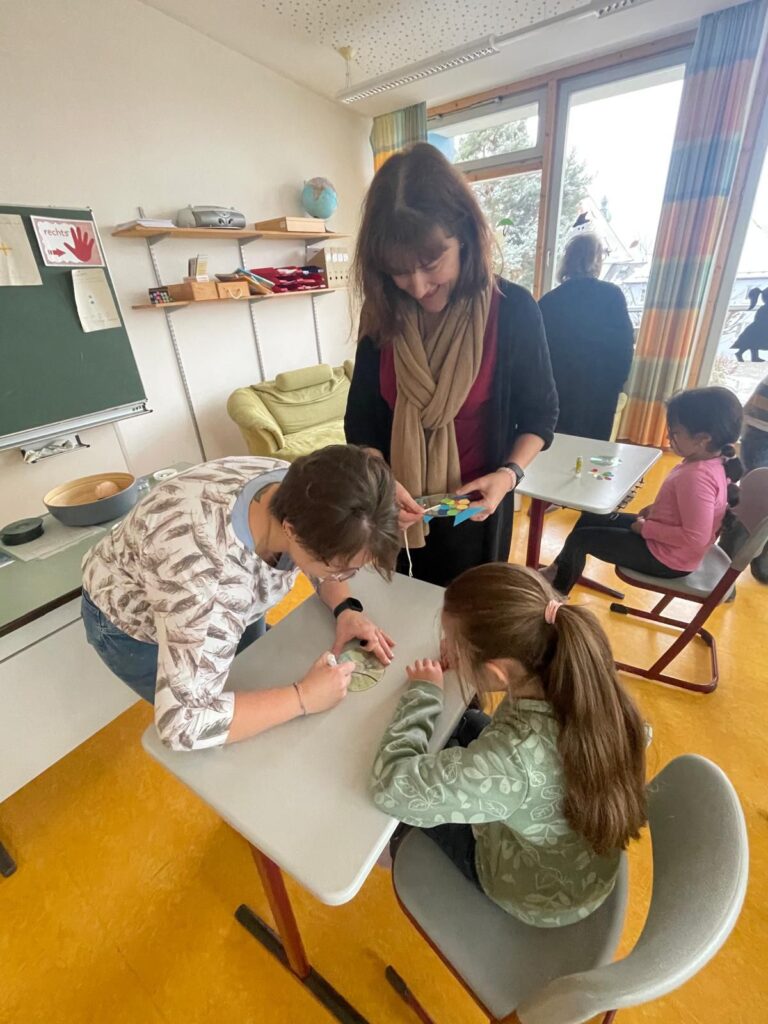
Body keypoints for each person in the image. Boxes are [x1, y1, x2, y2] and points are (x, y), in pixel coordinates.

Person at [369, 563, 647, 927]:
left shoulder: (511, 760)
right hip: (578, 849)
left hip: (535, 888)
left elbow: (391, 786)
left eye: (456, 645)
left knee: (391, 815)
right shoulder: (578, 672)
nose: (447, 646)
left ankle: (390, 848)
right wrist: (469, 658)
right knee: (464, 726)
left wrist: (424, 695)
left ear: (497, 671)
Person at [81, 445, 399, 751]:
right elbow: (182, 724)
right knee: (233, 734)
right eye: (341, 570)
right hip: (130, 618)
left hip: (202, 586)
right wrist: (303, 697)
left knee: (255, 685)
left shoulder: (300, 485)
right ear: (292, 530)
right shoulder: (210, 586)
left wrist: (345, 608)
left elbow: (319, 545)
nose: (344, 579)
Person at [345, 142, 558, 588]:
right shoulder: (381, 314)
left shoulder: (513, 310)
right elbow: (362, 421)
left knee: (468, 616)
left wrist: (508, 474)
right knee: (398, 612)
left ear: (463, 234)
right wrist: (381, 481)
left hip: (474, 514)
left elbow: (540, 415)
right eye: (398, 271)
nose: (417, 286)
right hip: (397, 517)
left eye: (431, 263)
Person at [544, 386, 743, 595]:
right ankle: (558, 571)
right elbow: (691, 508)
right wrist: (656, 509)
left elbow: (695, 537)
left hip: (667, 559)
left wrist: (646, 529)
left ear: (703, 439)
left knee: (580, 540)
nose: (669, 437)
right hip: (667, 543)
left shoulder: (697, 477)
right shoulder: (710, 462)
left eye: (675, 432)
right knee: (591, 517)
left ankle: (555, 595)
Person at [538, 232, 635, 441]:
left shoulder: (549, 301)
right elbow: (625, 345)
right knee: (593, 445)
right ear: (596, 260)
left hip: (557, 387)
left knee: (556, 442)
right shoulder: (612, 295)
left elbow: (537, 351)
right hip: (600, 387)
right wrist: (618, 383)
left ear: (567, 261)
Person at [719, 373, 768, 581]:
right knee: (752, 499)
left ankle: (762, 560)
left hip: (759, 427)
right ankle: (724, 570)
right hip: (762, 429)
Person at [731, 287, 768, 363]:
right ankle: (748, 355)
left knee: (753, 343)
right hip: (760, 329)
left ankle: (752, 356)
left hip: (759, 328)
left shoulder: (763, 308)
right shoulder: (764, 309)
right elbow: (759, 319)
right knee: (752, 342)